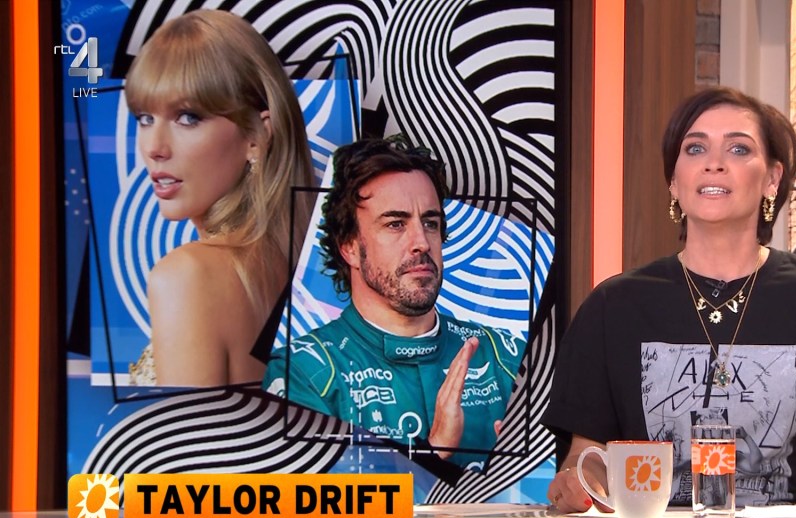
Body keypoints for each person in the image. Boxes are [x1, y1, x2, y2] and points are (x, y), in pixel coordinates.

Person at [542, 87, 796, 512]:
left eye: (738, 148)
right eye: (695, 148)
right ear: (673, 180)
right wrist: (580, 483)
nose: (713, 163)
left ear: (772, 179)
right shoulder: (613, 307)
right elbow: (588, 453)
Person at [261, 135, 525, 469]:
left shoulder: (505, 356)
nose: (421, 243)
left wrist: (524, 473)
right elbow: (302, 497)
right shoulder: (304, 372)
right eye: (396, 224)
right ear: (350, 247)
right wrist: (433, 453)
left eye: (430, 223)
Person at [125, 10, 315, 387]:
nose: (154, 147)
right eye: (145, 118)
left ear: (256, 136)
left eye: (187, 117)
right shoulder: (295, 268)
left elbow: (187, 429)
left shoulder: (187, 275)